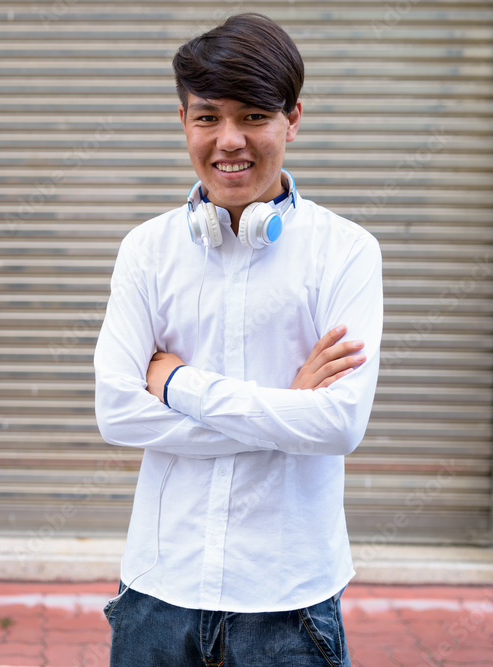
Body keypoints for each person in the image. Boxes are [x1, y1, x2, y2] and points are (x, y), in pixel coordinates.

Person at [94, 14, 383, 666]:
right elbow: (115, 410)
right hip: (156, 593)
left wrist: (176, 383)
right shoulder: (147, 250)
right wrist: (286, 409)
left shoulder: (346, 253)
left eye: (254, 115)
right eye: (207, 118)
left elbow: (338, 423)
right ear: (183, 121)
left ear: (293, 119)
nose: (229, 140)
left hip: (289, 601)